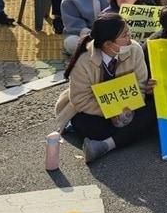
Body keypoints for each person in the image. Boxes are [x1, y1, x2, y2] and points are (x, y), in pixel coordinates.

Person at [53, 13, 157, 162]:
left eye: (129, 33)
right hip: (93, 111)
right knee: (88, 124)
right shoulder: (84, 61)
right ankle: (125, 135)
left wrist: (125, 111)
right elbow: (80, 100)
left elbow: (139, 86)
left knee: (152, 110)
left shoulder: (135, 49)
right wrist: (110, 112)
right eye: (124, 36)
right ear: (108, 44)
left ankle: (106, 145)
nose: (130, 39)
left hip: (127, 108)